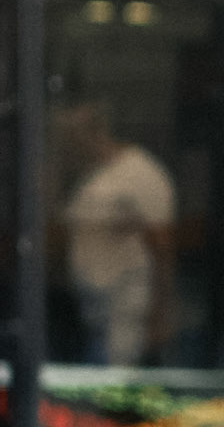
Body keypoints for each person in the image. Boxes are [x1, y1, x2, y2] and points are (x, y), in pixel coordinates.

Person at [55, 102, 177, 366]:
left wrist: (160, 314)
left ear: (94, 132)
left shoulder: (140, 173)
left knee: (116, 383)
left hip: (126, 310)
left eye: (71, 138)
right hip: (92, 311)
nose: (67, 147)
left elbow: (162, 246)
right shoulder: (91, 176)